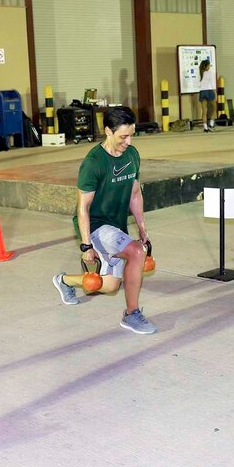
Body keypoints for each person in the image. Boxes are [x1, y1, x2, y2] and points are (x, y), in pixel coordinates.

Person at [51, 106, 157, 335]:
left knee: (108, 286)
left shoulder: (132, 155)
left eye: (131, 135)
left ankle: (65, 281)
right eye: (123, 136)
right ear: (108, 131)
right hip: (97, 226)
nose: (128, 141)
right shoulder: (94, 163)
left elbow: (135, 193)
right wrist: (86, 244)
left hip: (116, 224)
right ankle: (132, 314)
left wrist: (142, 227)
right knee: (136, 253)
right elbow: (83, 207)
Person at [198, 59, 216, 132]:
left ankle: (205, 128)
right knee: (214, 108)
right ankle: (211, 123)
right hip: (209, 91)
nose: (210, 67)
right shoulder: (209, 73)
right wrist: (215, 92)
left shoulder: (200, 73)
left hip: (202, 92)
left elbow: (198, 84)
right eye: (209, 65)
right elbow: (212, 84)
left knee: (204, 110)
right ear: (206, 66)